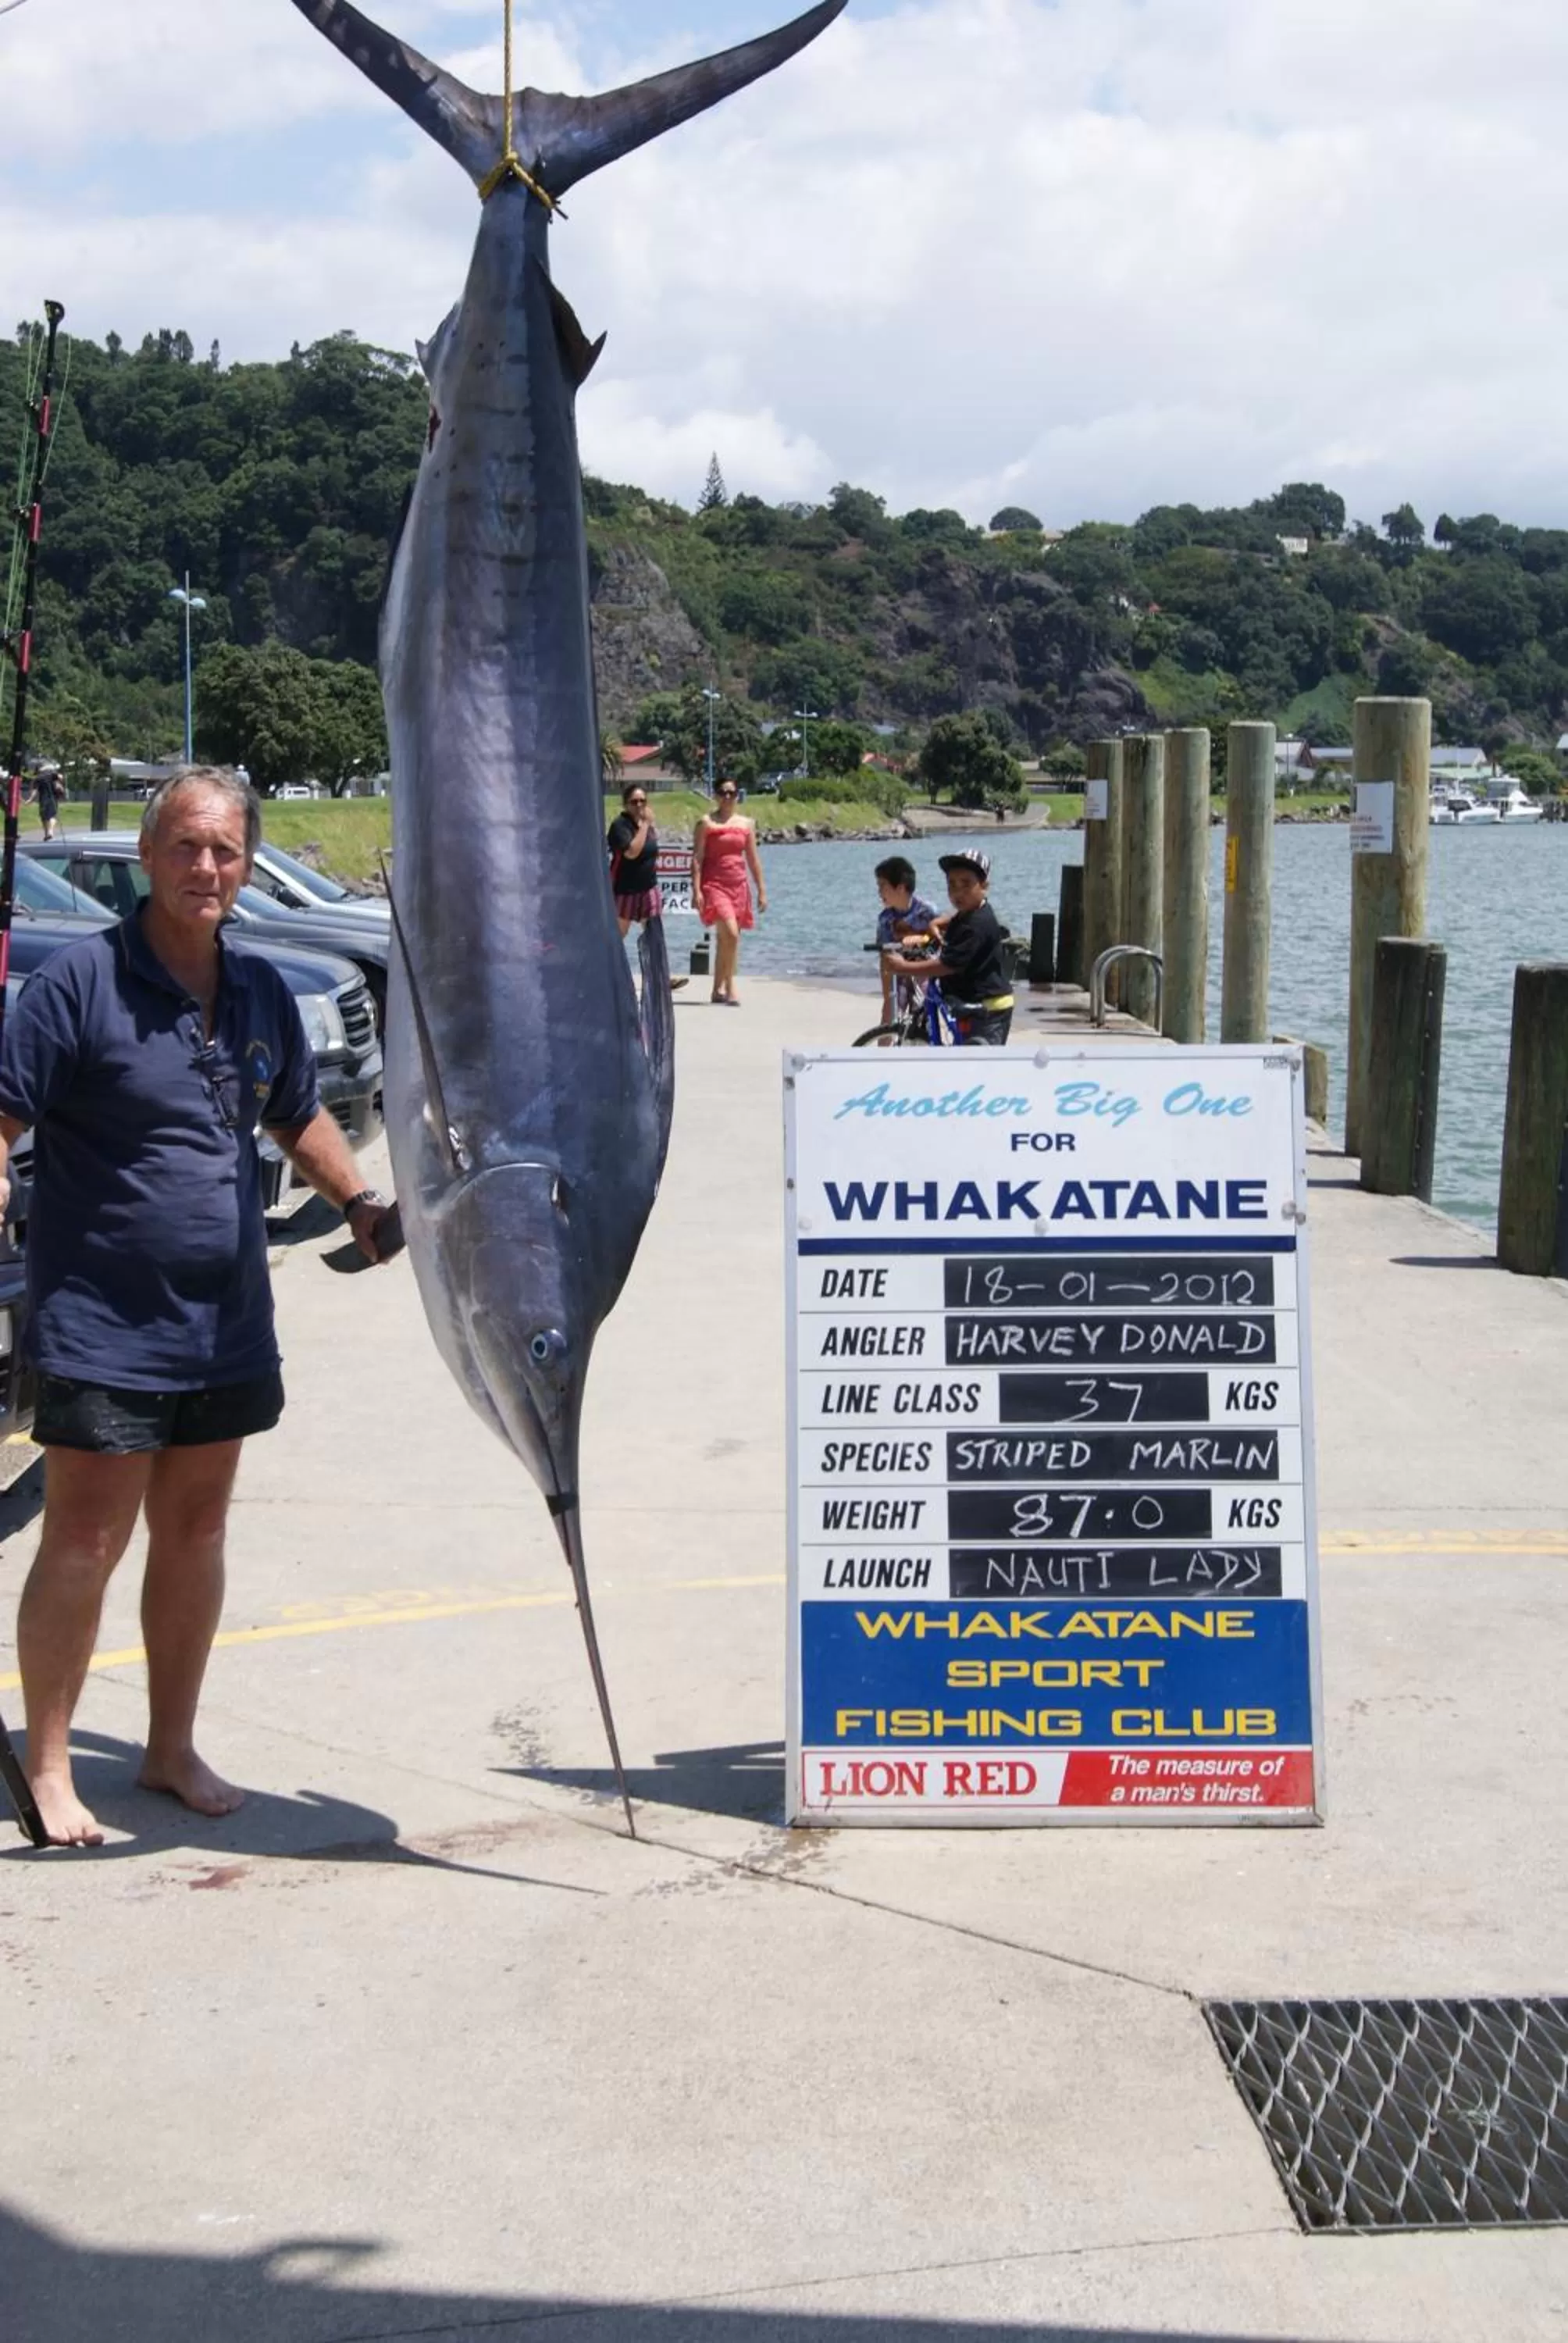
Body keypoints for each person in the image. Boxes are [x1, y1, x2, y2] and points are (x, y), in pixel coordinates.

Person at [0, 766, 401, 1846]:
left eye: (226, 850)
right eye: (186, 846)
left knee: (199, 1528)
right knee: (86, 1536)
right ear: (145, 856)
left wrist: (360, 1202)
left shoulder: (263, 989)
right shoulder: (77, 983)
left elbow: (297, 1113)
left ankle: (169, 1749)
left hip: (224, 1317)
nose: (208, 868)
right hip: (101, 1314)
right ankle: (47, 1764)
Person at [882, 849, 1014, 1045]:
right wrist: (936, 924)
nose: (957, 892)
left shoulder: (977, 925)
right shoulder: (969, 911)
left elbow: (946, 965)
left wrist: (903, 967)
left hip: (988, 1009)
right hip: (970, 1002)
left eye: (966, 884)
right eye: (951, 884)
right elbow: (955, 918)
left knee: (978, 1066)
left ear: (984, 886)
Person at [693, 781, 766, 1005]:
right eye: (723, 793)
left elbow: (753, 859)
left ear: (738, 796)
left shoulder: (746, 824)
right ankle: (731, 987)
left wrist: (762, 889)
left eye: (732, 793)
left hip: (738, 885)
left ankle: (717, 990)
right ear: (715, 796)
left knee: (726, 940)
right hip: (714, 884)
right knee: (732, 934)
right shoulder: (706, 823)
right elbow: (697, 858)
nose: (727, 797)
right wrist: (696, 890)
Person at [874, 855, 939, 1026]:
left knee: (924, 1015)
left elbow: (939, 943)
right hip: (898, 972)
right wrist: (887, 996)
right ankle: (884, 1052)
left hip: (924, 970)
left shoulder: (927, 911)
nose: (879, 892)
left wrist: (920, 939)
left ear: (901, 888)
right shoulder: (885, 919)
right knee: (889, 1015)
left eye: (883, 886)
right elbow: (885, 958)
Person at [607, 780, 662, 938]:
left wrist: (645, 825)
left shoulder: (647, 827)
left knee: (654, 936)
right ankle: (612, 963)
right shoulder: (620, 826)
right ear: (625, 805)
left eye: (642, 801)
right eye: (634, 802)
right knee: (618, 937)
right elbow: (631, 853)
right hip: (625, 890)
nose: (639, 805)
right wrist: (645, 824)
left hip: (649, 888)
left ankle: (655, 963)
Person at [34, 763, 62, 841]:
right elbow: (61, 777)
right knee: (53, 816)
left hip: (43, 800)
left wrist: (30, 800)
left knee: (44, 817)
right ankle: (50, 832)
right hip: (53, 799)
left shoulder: (39, 778)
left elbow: (35, 791)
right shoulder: (52, 775)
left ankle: (47, 833)